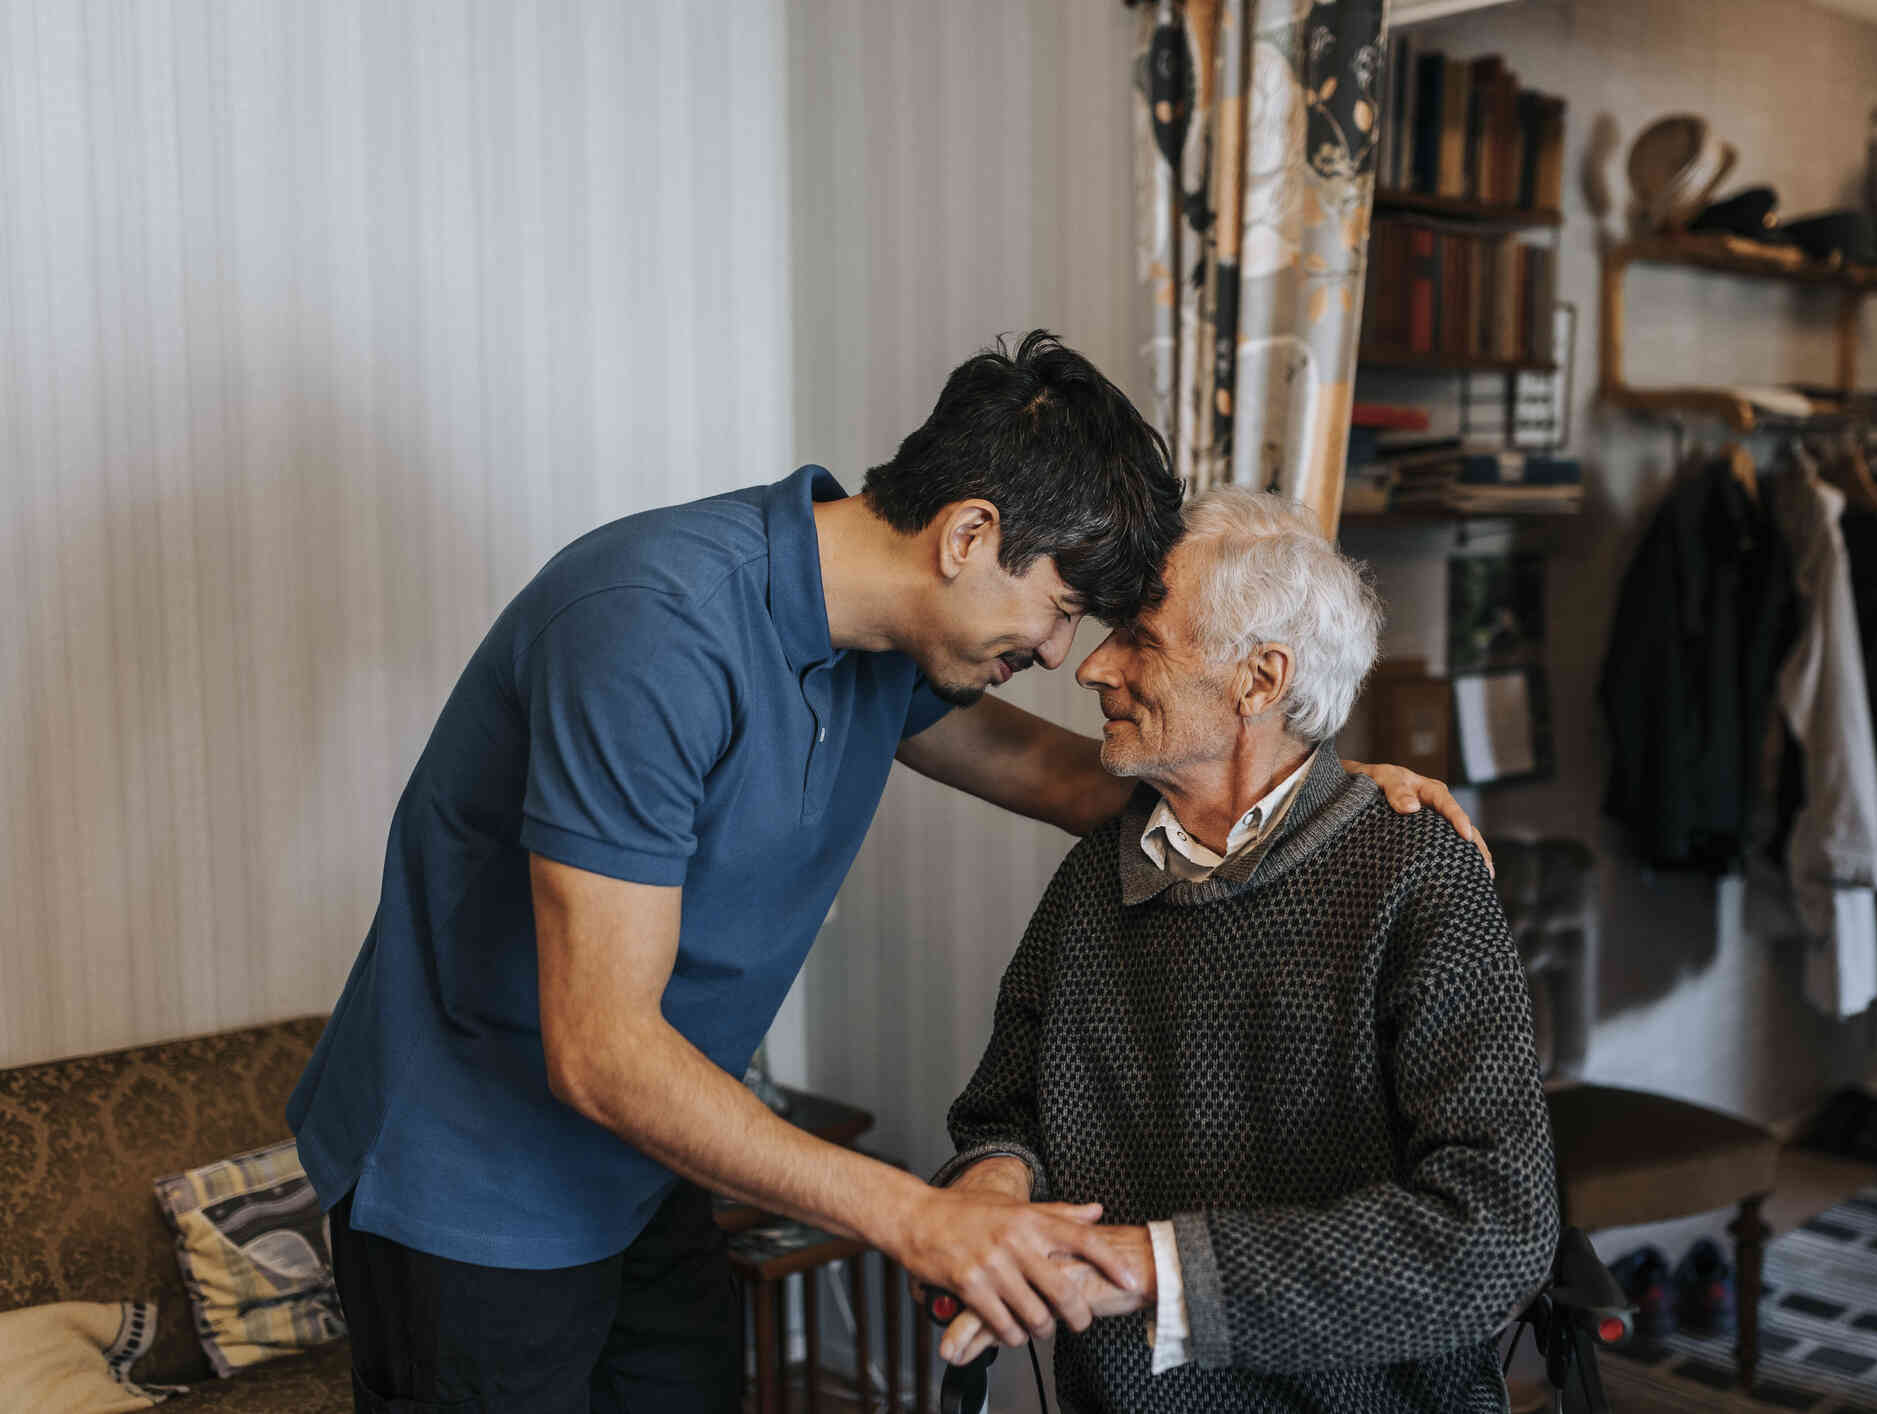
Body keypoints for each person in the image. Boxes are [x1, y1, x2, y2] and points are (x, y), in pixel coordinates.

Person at [286, 332, 1485, 1412]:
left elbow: (1072, 778)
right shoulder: (653, 630)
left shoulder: (885, 643)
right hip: (476, 1185)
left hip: (648, 1166)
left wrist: (1325, 785)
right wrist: (916, 1216)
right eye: (1061, 608)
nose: (1064, 656)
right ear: (968, 535)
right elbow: (599, 1049)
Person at [932, 488, 1558, 1413]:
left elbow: (1496, 1231)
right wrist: (991, 1185)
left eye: (1139, 638)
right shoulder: (1093, 885)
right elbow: (1005, 1111)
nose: (1091, 668)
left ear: (1260, 682)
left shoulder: (1416, 877)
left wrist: (1152, 1270)